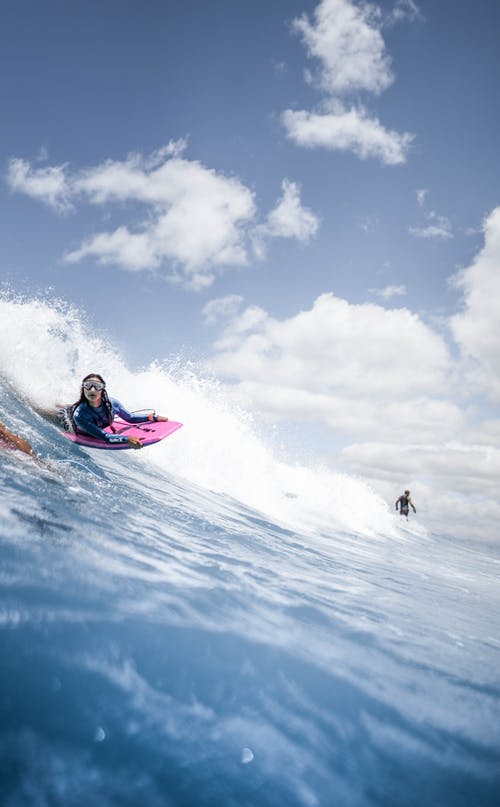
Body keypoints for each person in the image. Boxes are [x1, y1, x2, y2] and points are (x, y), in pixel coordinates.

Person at [40, 373, 169, 449]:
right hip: (67, 418)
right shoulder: (80, 415)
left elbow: (130, 418)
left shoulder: (113, 404)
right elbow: (105, 437)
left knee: (69, 406)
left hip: (79, 409)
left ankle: (60, 403)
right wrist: (127, 439)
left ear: (103, 390)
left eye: (97, 386)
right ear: (83, 389)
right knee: (43, 411)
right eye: (88, 386)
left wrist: (152, 417)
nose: (92, 390)